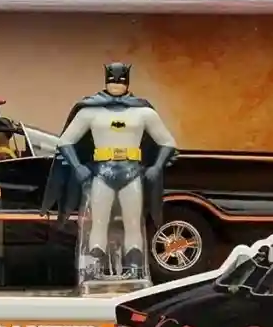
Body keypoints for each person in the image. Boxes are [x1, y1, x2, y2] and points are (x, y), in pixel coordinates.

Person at [42, 62, 176, 282]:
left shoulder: (143, 112)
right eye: (112, 80)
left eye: (120, 80)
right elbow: (65, 141)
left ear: (128, 82)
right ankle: (95, 269)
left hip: (131, 172)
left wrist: (156, 166)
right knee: (98, 223)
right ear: (105, 80)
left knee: (133, 223)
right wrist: (78, 167)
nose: (116, 84)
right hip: (102, 173)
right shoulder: (89, 112)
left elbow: (167, 142)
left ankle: (134, 269)